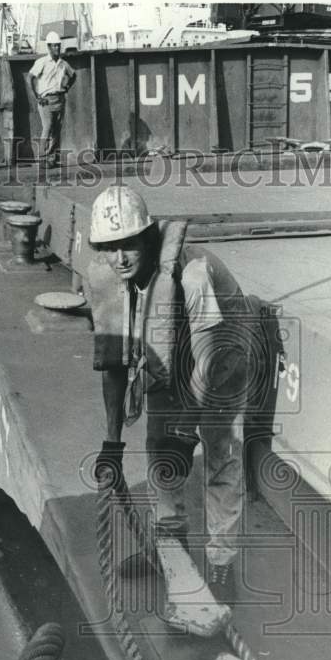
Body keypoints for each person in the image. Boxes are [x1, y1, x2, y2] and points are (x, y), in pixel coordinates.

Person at [87, 185, 264, 606]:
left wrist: (188, 434)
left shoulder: (193, 274)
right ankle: (174, 553)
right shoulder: (113, 278)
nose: (120, 259)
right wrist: (112, 443)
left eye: (128, 245)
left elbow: (208, 361)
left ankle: (221, 563)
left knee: (219, 455)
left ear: (147, 239)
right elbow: (114, 366)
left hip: (222, 354)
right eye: (109, 249)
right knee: (160, 449)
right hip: (171, 351)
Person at [27, 31, 76, 167]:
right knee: (47, 128)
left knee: (57, 130)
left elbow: (73, 75)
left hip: (59, 99)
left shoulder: (63, 64)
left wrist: (67, 87)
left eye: (58, 46)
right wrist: (37, 96)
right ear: (48, 47)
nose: (57, 49)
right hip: (46, 100)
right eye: (54, 46)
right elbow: (29, 78)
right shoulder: (42, 62)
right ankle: (42, 158)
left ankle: (52, 158)